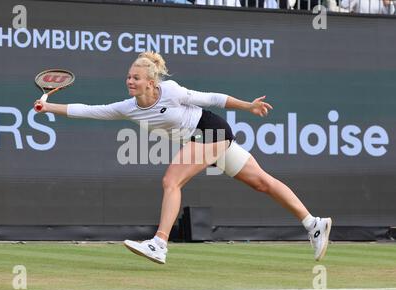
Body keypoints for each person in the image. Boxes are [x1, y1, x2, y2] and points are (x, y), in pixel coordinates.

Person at [34, 51, 332, 264]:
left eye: (136, 77)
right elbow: (89, 110)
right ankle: (313, 223)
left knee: (171, 180)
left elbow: (211, 98)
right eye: (128, 77)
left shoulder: (171, 91)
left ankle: (159, 243)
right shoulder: (129, 107)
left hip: (211, 131)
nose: (130, 81)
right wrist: (49, 108)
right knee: (262, 183)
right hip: (202, 140)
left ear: (151, 81)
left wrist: (246, 106)